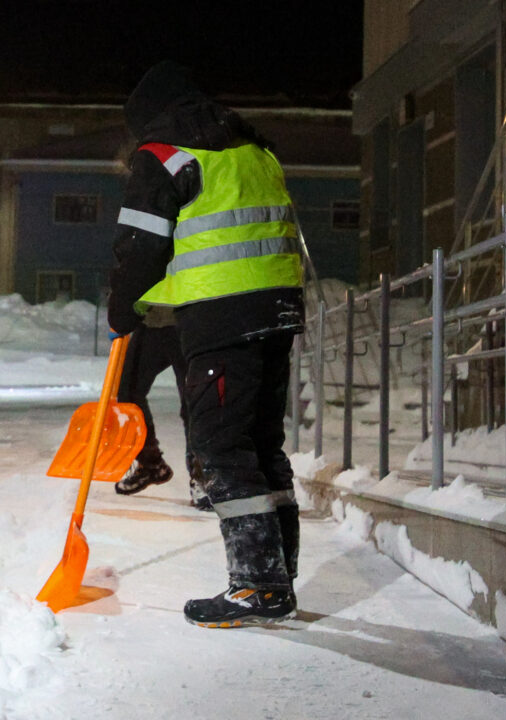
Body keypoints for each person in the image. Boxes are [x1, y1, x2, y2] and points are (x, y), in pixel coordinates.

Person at [108, 61, 304, 627]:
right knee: (262, 446)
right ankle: (276, 578)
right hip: (278, 309)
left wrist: (123, 311)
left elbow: (139, 247)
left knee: (221, 448)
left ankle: (257, 585)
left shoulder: (165, 155)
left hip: (220, 318)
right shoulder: (255, 151)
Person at [113, 307, 213, 512]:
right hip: (150, 321)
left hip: (189, 320)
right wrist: (119, 311)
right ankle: (151, 465)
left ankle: (202, 477)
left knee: (193, 402)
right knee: (128, 394)